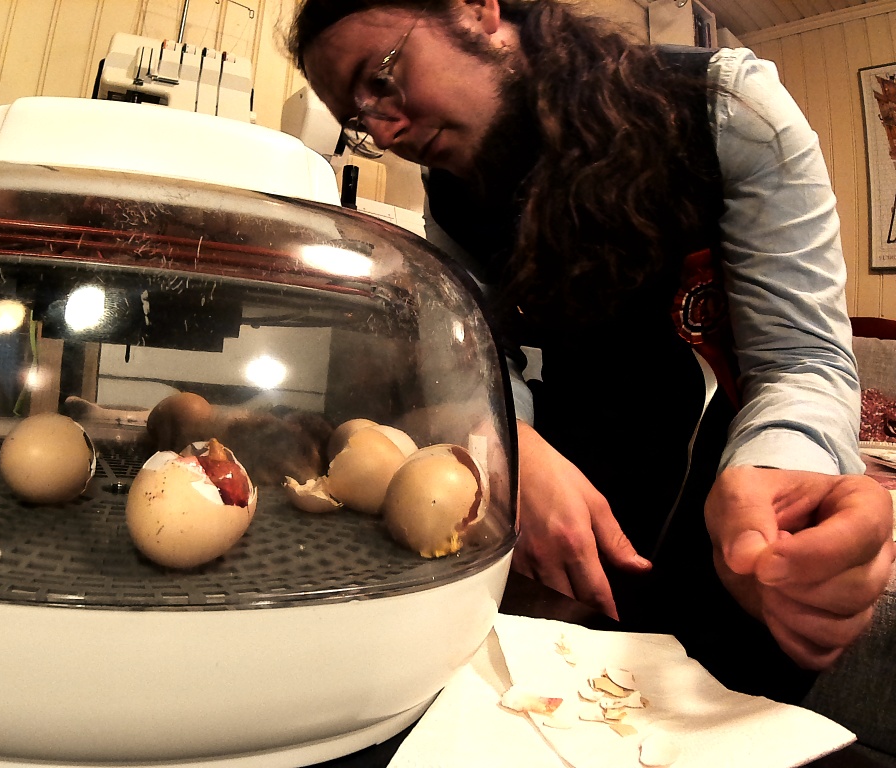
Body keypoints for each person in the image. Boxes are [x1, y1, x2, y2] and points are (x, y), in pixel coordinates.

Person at [288, 0, 896, 703]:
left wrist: (782, 478)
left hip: (731, 503)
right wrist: (511, 449)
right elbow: (481, 355)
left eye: (383, 78)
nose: (384, 131)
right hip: (570, 518)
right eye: (359, 119)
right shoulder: (448, 191)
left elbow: (803, 359)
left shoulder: (727, 107)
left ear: (477, 10)